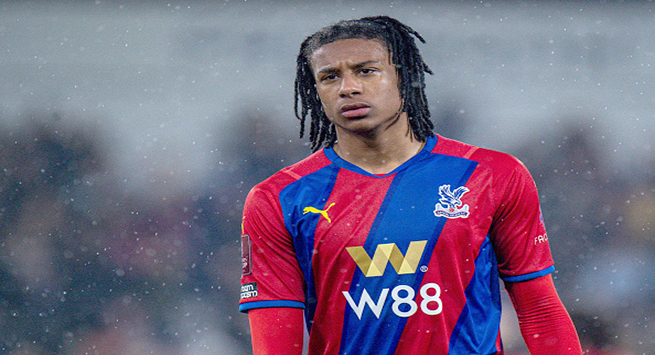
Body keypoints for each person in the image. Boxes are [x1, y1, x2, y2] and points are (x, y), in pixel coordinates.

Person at [238, 15, 582, 355]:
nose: (348, 88)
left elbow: (539, 307)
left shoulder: (493, 174)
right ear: (315, 92)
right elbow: (275, 339)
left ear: (405, 77)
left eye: (366, 71)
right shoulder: (278, 199)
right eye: (330, 77)